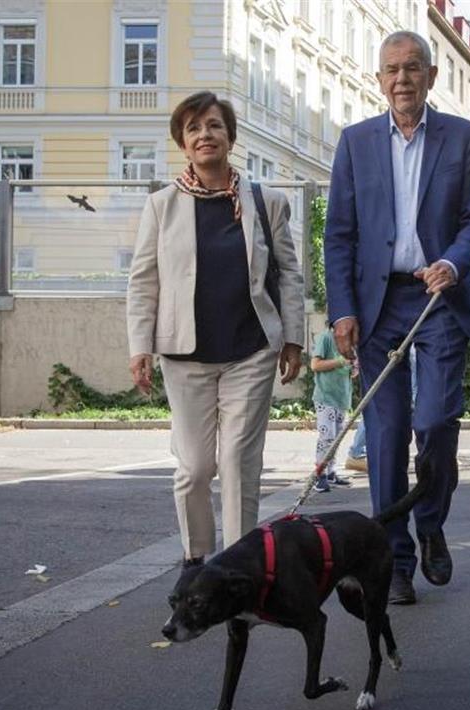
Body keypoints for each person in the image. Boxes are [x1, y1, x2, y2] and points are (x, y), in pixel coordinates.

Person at [324, 31, 470, 604]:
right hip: (377, 304)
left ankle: (431, 525)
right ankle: (393, 559)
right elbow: (339, 235)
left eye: (413, 68)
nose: (402, 79)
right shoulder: (355, 143)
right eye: (392, 69)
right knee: (388, 433)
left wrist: (452, 260)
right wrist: (342, 309)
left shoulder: (463, 139)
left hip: (437, 297)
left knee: (437, 423)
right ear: (379, 79)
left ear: (431, 76)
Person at [127, 91, 305, 568]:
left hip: (250, 350)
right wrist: (139, 346)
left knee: (238, 465)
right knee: (195, 468)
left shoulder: (266, 202)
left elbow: (289, 272)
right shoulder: (162, 207)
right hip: (185, 356)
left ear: (230, 136)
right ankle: (197, 561)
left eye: (213, 125)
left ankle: (241, 566)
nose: (204, 135)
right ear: (183, 145)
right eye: (193, 129)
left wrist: (293, 337)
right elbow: (144, 280)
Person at [310, 325, 354, 493]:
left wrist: (353, 367)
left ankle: (330, 473)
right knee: (327, 436)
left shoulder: (349, 343)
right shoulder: (326, 338)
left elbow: (348, 369)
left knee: (335, 438)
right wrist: (341, 361)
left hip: (341, 398)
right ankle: (319, 475)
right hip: (325, 396)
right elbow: (315, 365)